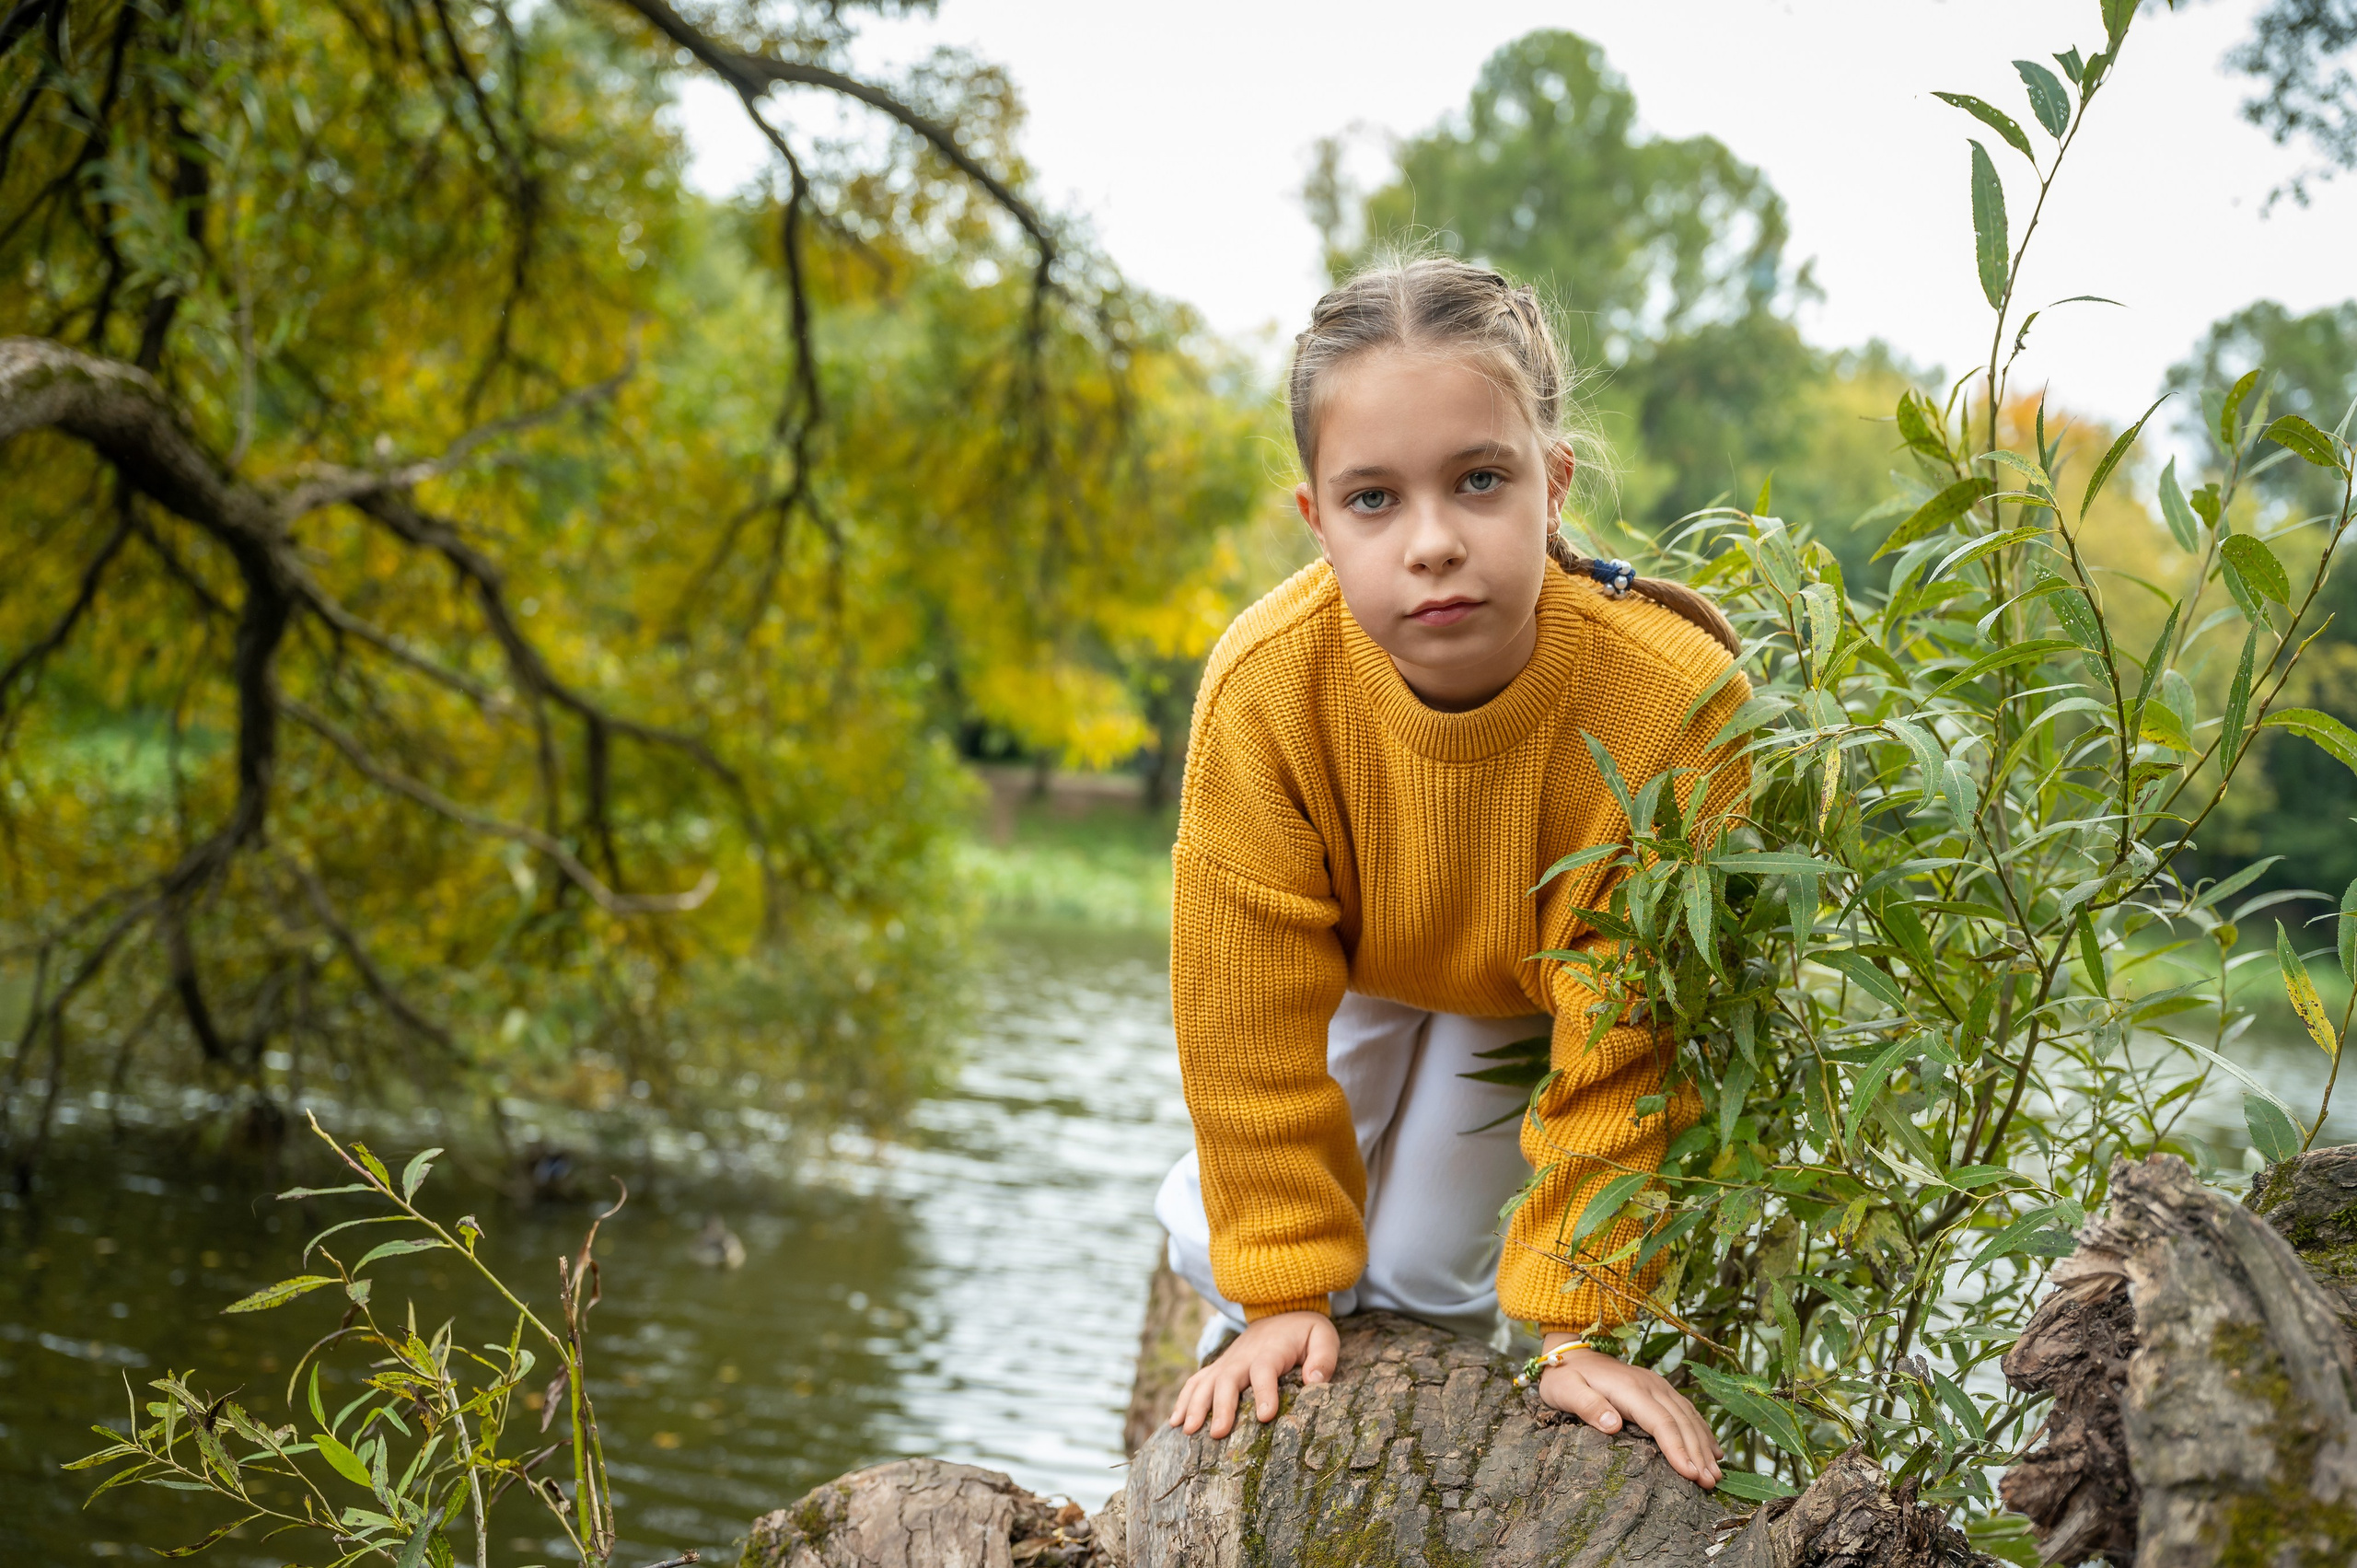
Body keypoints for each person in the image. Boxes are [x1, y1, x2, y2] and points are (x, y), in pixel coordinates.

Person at [1155, 255, 1747, 1490]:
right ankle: (1238, 1325)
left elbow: (1638, 1042)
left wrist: (1579, 1326)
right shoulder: (1267, 687)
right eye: (1374, 500)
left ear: (1553, 484)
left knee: (1423, 1273)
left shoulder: (1675, 707)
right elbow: (1244, 1022)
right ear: (1316, 518)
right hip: (1350, 960)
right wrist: (1276, 1293)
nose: (1432, 543)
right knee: (1233, 1248)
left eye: (1481, 481)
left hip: (1525, 991)